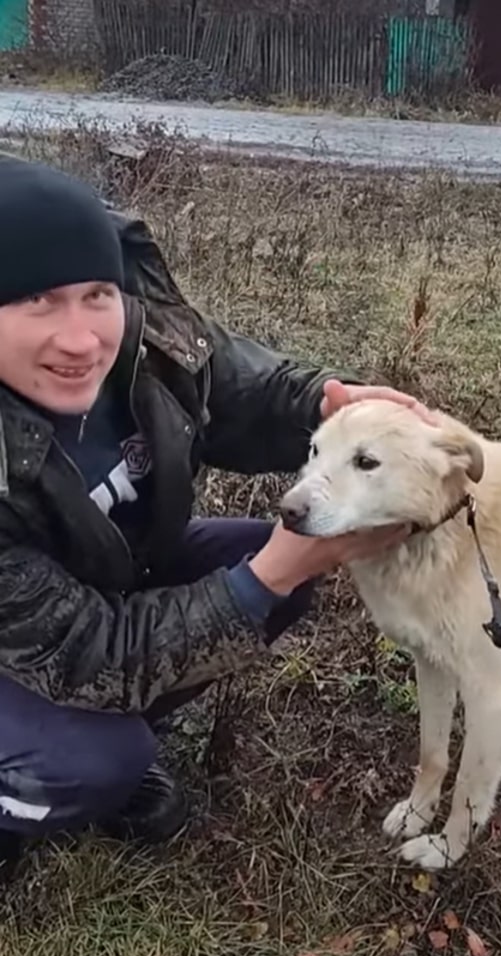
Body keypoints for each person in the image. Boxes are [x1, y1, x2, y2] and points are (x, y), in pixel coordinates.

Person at [0, 154, 430, 879]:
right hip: (34, 636)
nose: (80, 340)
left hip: (100, 584)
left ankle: (109, 728)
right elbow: (85, 649)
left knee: (262, 571)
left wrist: (329, 403)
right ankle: (37, 782)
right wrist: (264, 579)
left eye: (96, 294)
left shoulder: (144, 340)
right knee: (101, 759)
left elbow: (241, 389)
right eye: (36, 302)